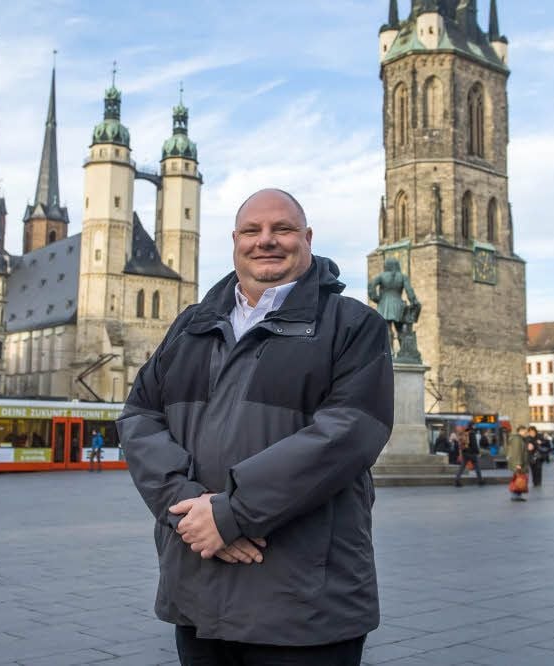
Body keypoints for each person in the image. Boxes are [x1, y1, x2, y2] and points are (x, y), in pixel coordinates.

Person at [118, 188, 393, 665]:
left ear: (307, 238)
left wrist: (231, 514)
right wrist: (187, 508)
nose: (265, 240)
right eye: (252, 230)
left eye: (282, 229)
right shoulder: (191, 325)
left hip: (304, 604)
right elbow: (139, 416)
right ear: (235, 241)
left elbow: (349, 433)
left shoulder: (352, 325)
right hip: (199, 591)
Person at [506, 426, 529, 502]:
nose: (526, 433)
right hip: (518, 462)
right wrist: (518, 463)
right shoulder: (517, 439)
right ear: (520, 431)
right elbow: (517, 452)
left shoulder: (520, 439)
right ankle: (515, 496)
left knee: (519, 479)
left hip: (520, 462)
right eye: (525, 432)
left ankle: (517, 495)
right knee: (518, 479)